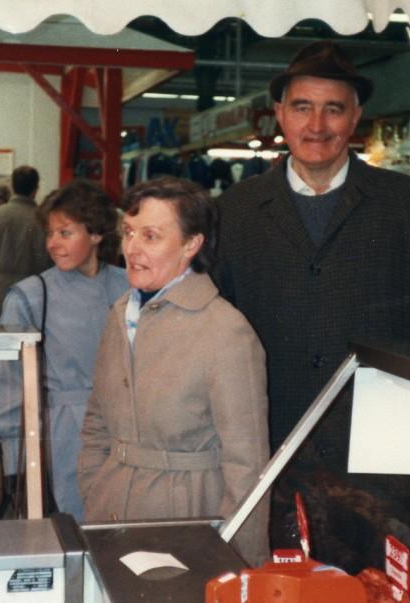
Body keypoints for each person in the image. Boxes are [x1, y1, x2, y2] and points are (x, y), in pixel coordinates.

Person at [213, 40, 410, 573]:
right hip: (271, 430)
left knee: (380, 577)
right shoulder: (235, 211)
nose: (318, 124)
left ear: (356, 117)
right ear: (281, 116)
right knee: (281, 577)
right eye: (303, 107)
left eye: (334, 109)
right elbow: (219, 327)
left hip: (382, 428)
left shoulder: (405, 202)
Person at [78, 176, 270, 565]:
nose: (132, 248)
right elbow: (97, 419)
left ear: (191, 244)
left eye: (150, 236)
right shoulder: (120, 314)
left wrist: (240, 566)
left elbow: (247, 466)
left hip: (187, 524)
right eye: (129, 232)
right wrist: (94, 486)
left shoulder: (225, 330)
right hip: (109, 514)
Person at [0, 179, 128, 520]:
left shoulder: (130, 287)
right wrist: (16, 458)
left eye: (65, 233)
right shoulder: (30, 297)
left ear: (96, 234)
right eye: (50, 234)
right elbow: (5, 383)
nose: (53, 244)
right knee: (71, 529)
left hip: (128, 433)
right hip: (62, 437)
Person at [0, 166, 52, 324]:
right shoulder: (46, 223)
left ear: (12, 186)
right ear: (36, 189)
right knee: (32, 349)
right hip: (35, 302)